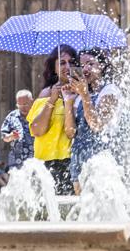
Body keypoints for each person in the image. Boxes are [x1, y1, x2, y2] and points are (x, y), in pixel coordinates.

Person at [67, 48, 121, 195]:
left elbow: (97, 125)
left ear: (101, 66)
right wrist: (68, 101)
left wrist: (84, 95)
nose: (85, 68)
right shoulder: (79, 96)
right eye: (82, 64)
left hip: (101, 161)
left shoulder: (110, 91)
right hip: (78, 160)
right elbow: (70, 132)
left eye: (90, 63)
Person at [28, 44, 78, 195]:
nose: (67, 66)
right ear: (54, 67)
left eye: (72, 62)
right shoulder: (46, 93)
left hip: (71, 161)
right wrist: (52, 100)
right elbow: (37, 130)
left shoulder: (81, 93)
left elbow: (72, 132)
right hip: (46, 162)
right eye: (62, 62)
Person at [1, 90, 34, 169]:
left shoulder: (38, 114)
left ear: (32, 101)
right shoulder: (12, 116)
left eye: (25, 104)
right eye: (19, 105)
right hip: (16, 162)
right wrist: (10, 136)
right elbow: (4, 136)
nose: (22, 107)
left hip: (35, 161)